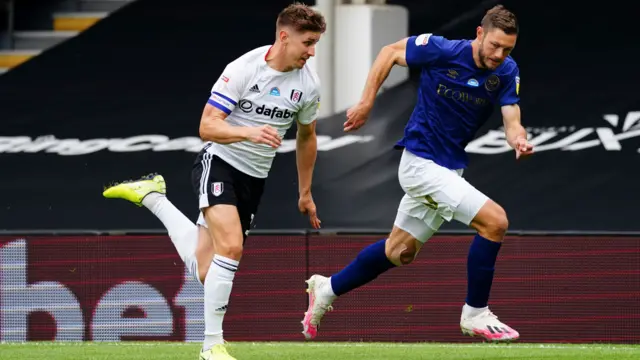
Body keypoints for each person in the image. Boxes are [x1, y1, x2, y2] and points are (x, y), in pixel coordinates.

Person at [102, 3, 326, 359]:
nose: (312, 52)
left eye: (316, 43)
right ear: (285, 37)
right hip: (218, 163)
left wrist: (305, 192)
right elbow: (207, 126)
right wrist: (250, 133)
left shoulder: (308, 85)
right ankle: (211, 346)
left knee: (208, 271)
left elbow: (306, 137)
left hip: (255, 179)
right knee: (232, 247)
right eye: (308, 42)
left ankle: (153, 197)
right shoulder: (243, 69)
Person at [301, 4, 533, 342]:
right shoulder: (441, 49)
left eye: (507, 49)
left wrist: (519, 140)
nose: (499, 54)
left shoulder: (507, 71)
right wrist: (366, 102)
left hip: (449, 169)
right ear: (479, 34)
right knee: (495, 222)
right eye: (494, 45)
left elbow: (512, 119)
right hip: (420, 164)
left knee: (400, 252)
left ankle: (327, 289)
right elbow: (389, 52)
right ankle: (476, 313)